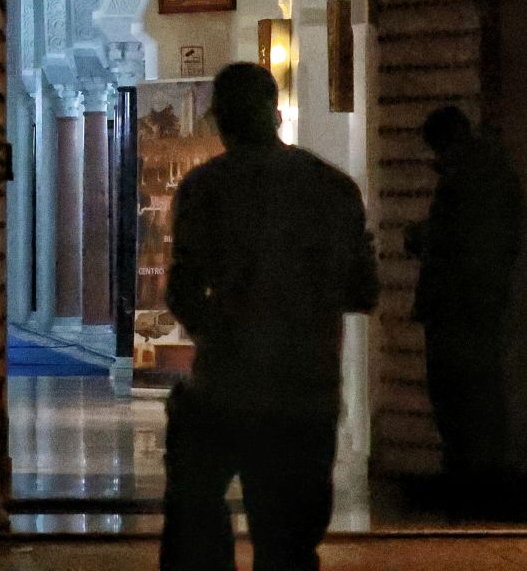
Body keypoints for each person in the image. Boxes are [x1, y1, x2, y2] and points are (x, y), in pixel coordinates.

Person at [160, 63, 379, 571]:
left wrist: (220, 332)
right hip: (308, 389)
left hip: (226, 386)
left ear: (220, 121)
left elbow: (183, 289)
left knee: (195, 517)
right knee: (289, 546)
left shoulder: (205, 187)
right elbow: (363, 291)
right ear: (276, 114)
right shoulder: (334, 188)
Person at [404, 105, 522, 507]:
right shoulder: (490, 173)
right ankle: (475, 472)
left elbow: (454, 242)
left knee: (457, 390)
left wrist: (422, 239)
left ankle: (468, 475)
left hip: (458, 304)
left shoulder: (467, 179)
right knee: (474, 389)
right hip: (477, 301)